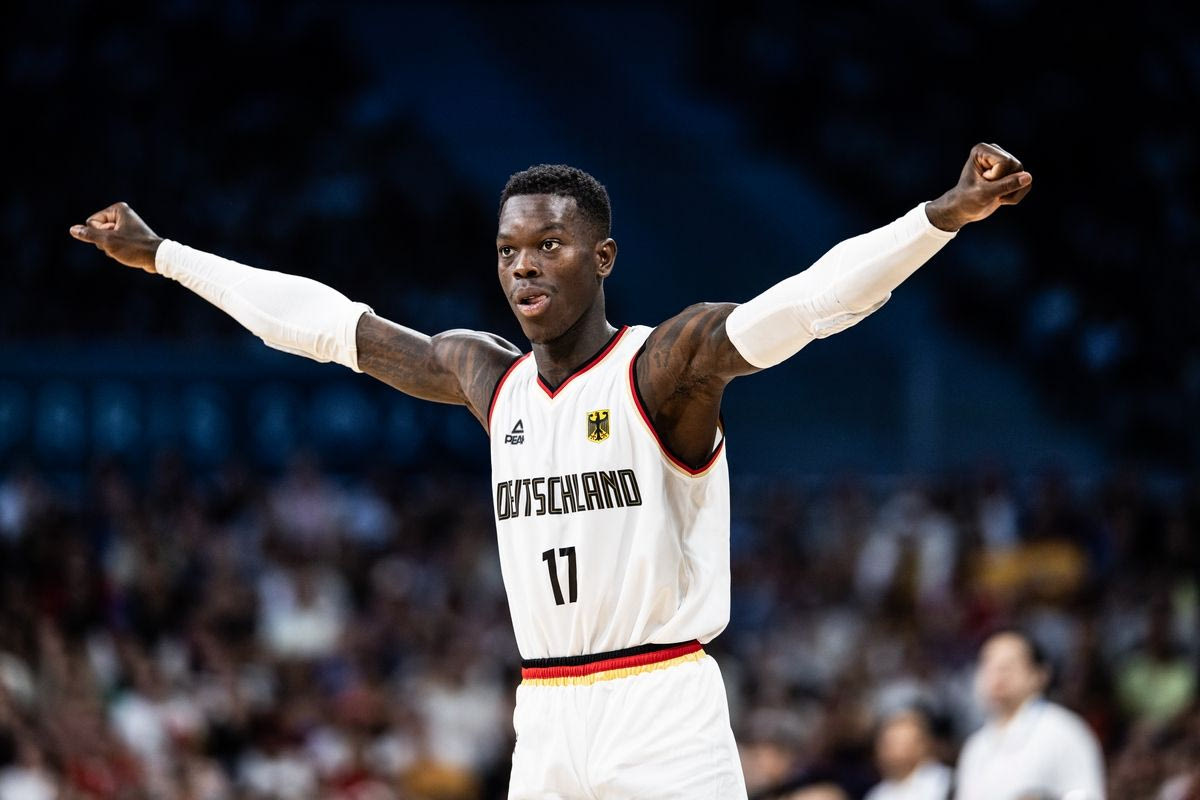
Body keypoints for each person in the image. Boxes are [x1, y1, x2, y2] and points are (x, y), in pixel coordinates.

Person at [70, 143, 1032, 799]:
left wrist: (938, 217)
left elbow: (809, 305)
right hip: (546, 713)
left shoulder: (665, 364)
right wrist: (166, 257)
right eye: (508, 251)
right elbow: (324, 327)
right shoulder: (484, 375)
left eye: (548, 246)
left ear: (602, 256)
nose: (523, 267)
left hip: (662, 704)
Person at [955, 629, 1105, 800]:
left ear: (1039, 675)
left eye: (1007, 667)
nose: (997, 675)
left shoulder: (1065, 732)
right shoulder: (975, 746)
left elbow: (1087, 795)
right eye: (989, 666)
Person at [864, 708, 953, 800]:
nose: (889, 751)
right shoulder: (878, 794)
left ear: (922, 745)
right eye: (886, 743)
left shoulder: (945, 782)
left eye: (898, 743)